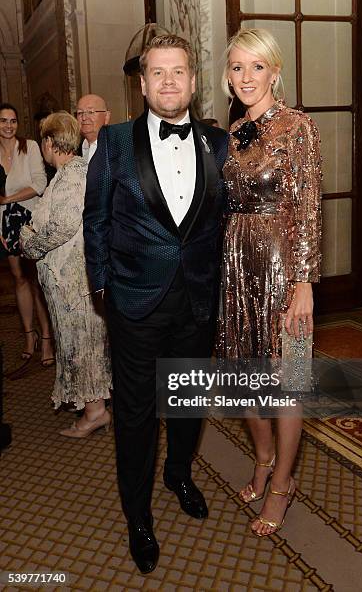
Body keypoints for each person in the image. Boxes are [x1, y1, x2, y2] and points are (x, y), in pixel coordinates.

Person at [83, 34, 228, 574]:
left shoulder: (218, 145)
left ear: (193, 80)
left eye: (179, 72)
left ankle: (180, 473)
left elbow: (228, 222)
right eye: (158, 73)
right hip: (134, 303)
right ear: (142, 84)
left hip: (196, 299)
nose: (169, 81)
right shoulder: (114, 142)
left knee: (188, 403)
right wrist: (103, 286)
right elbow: (94, 219)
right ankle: (138, 515)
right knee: (138, 416)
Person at [218, 28, 322, 537]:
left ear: (275, 72)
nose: (246, 77)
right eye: (237, 67)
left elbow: (308, 210)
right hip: (236, 264)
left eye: (256, 67)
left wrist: (304, 282)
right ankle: (261, 460)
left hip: (283, 262)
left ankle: (282, 482)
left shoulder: (298, 128)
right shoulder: (233, 131)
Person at [19, 111, 111, 435]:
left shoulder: (72, 174)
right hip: (69, 279)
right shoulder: (67, 173)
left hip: (72, 280)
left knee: (81, 345)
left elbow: (64, 225)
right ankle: (95, 406)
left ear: (49, 141)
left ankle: (95, 411)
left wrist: (30, 243)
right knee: (81, 343)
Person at [0, 102, 54, 366]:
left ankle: (46, 338)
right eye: (3, 121)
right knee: (19, 278)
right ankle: (28, 336)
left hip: (31, 219)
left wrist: (7, 199)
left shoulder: (29, 146)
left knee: (36, 280)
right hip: (6, 223)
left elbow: (40, 184)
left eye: (12, 121)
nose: (8, 126)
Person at [75, 94, 111, 163]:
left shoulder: (116, 149)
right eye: (80, 113)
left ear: (106, 117)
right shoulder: (73, 150)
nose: (84, 118)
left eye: (90, 112)